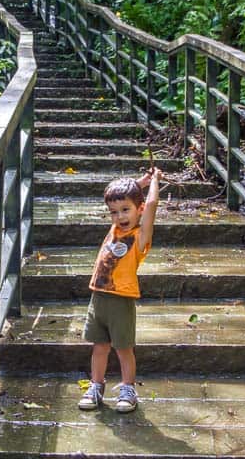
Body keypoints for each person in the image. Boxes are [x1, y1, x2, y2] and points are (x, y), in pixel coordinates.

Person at [78, 167, 163, 413]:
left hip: (121, 300)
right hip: (98, 297)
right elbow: (121, 197)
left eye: (126, 211)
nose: (120, 216)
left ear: (139, 210)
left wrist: (154, 182)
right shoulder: (115, 229)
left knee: (123, 348)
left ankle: (128, 388)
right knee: (99, 346)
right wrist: (140, 182)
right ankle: (96, 386)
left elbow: (151, 204)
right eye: (114, 213)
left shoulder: (139, 237)